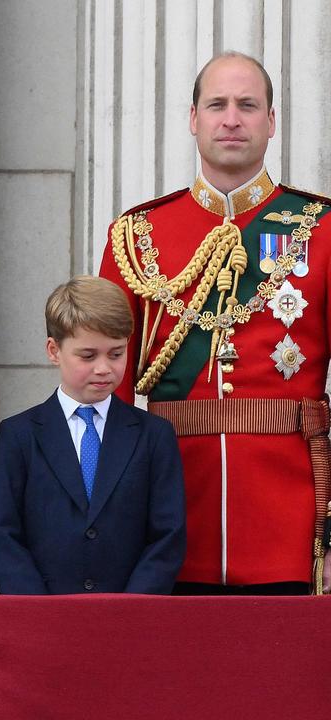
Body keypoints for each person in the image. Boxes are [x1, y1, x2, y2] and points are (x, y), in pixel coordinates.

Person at [98, 52, 331, 595]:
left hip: (291, 526)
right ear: (193, 119)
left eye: (248, 106)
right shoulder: (137, 236)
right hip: (169, 523)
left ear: (271, 122)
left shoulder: (320, 230)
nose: (232, 119)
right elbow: (105, 389)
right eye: (217, 105)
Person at [0, 276, 186, 594]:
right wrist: (38, 609)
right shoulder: (18, 435)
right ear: (54, 350)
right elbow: (2, 533)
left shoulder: (154, 435)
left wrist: (132, 607)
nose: (104, 368)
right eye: (88, 356)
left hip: (130, 617)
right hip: (43, 617)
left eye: (116, 354)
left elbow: (168, 534)